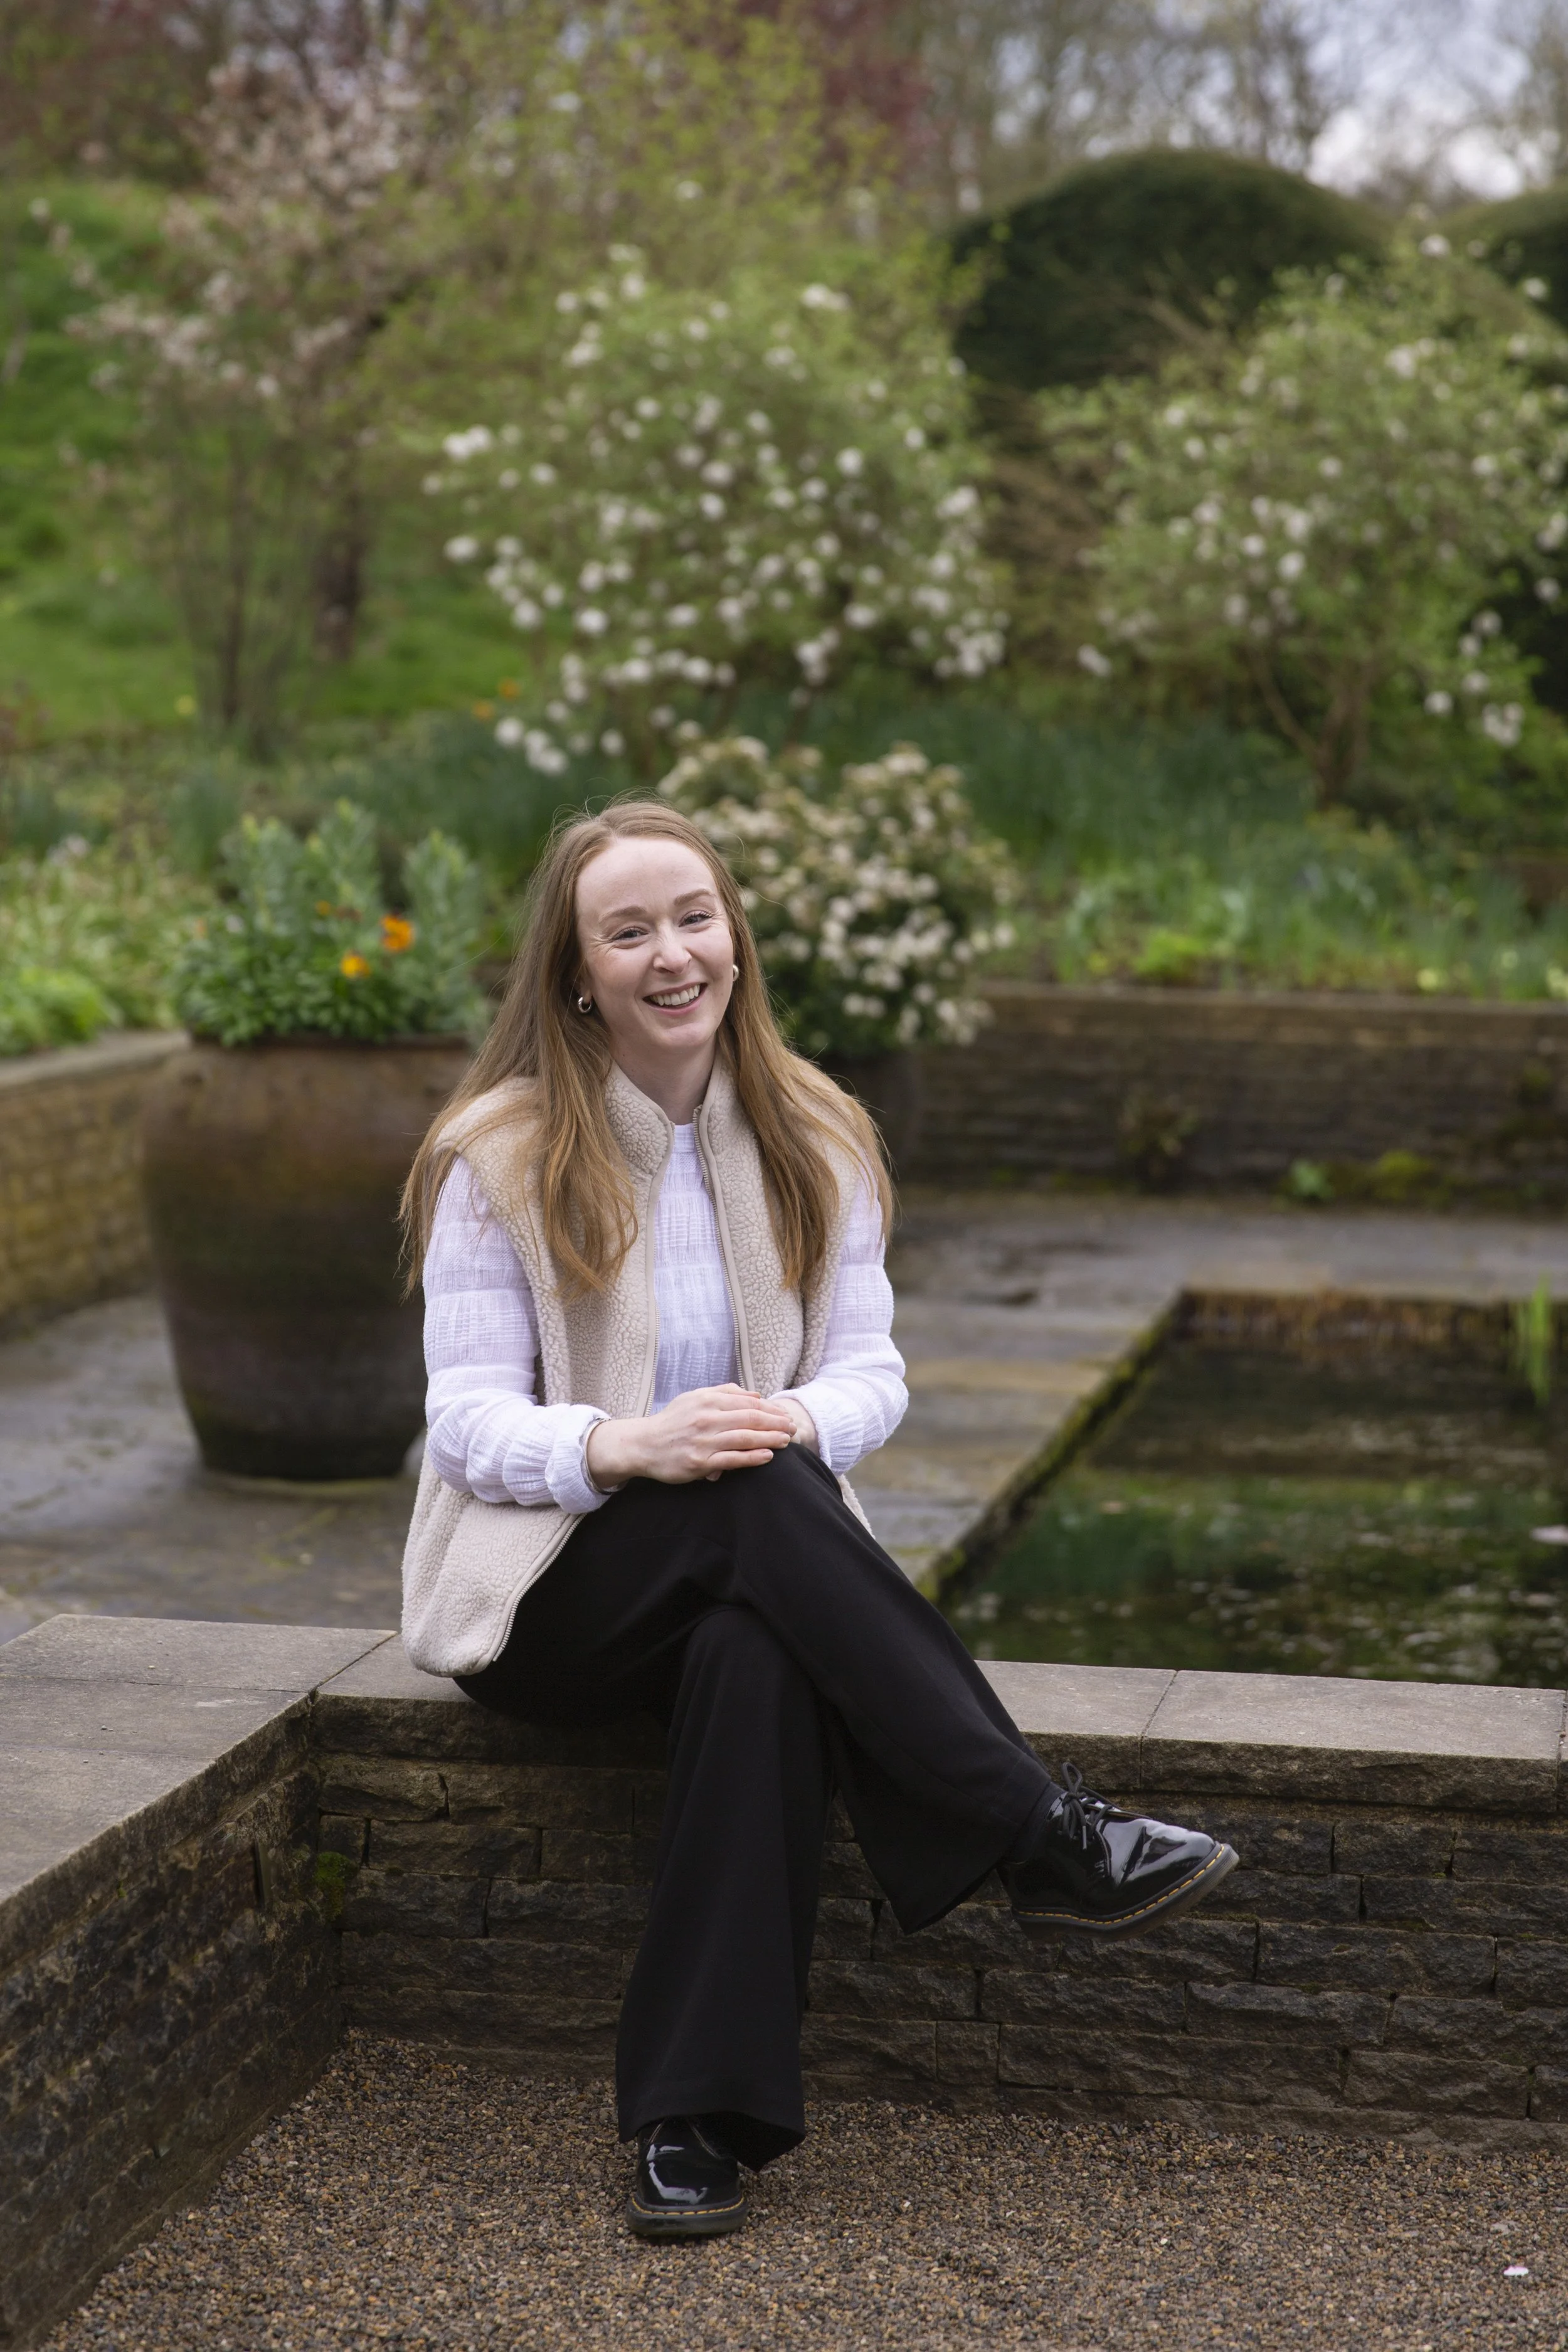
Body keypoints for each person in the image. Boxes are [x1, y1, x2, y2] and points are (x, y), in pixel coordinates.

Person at [399, 800, 1237, 2241]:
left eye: (694, 918)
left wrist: (789, 1421)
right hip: (541, 1597)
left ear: (734, 938)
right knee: (743, 1495)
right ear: (573, 975)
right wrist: (625, 1443)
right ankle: (1032, 1831)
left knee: (758, 1654)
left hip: (748, 1570)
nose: (672, 954)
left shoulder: (814, 1132)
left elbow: (870, 1377)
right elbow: (465, 1421)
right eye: (628, 930)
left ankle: (696, 2121)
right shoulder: (498, 1155)